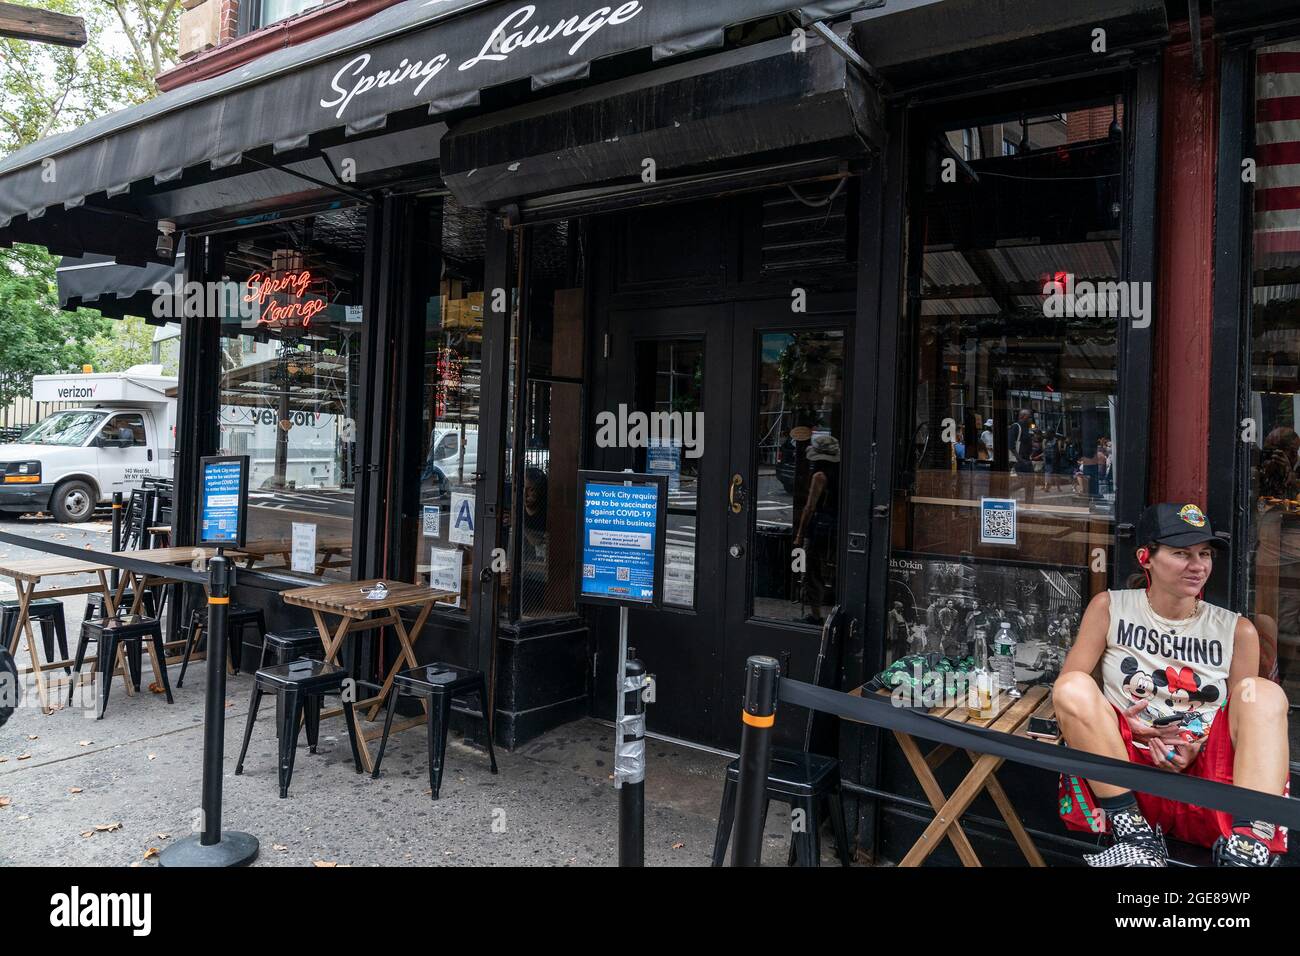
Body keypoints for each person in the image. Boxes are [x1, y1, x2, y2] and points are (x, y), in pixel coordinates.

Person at [1054, 502, 1291, 866]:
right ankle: (1134, 836)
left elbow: (1246, 722)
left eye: (1205, 554)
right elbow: (1067, 696)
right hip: (1125, 769)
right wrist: (1123, 723)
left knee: (1264, 693)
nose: (1198, 566)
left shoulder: (1236, 630)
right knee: (1071, 686)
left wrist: (1198, 743)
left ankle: (1248, 845)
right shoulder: (1109, 608)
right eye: (1182, 553)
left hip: (1211, 780)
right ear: (1146, 557)